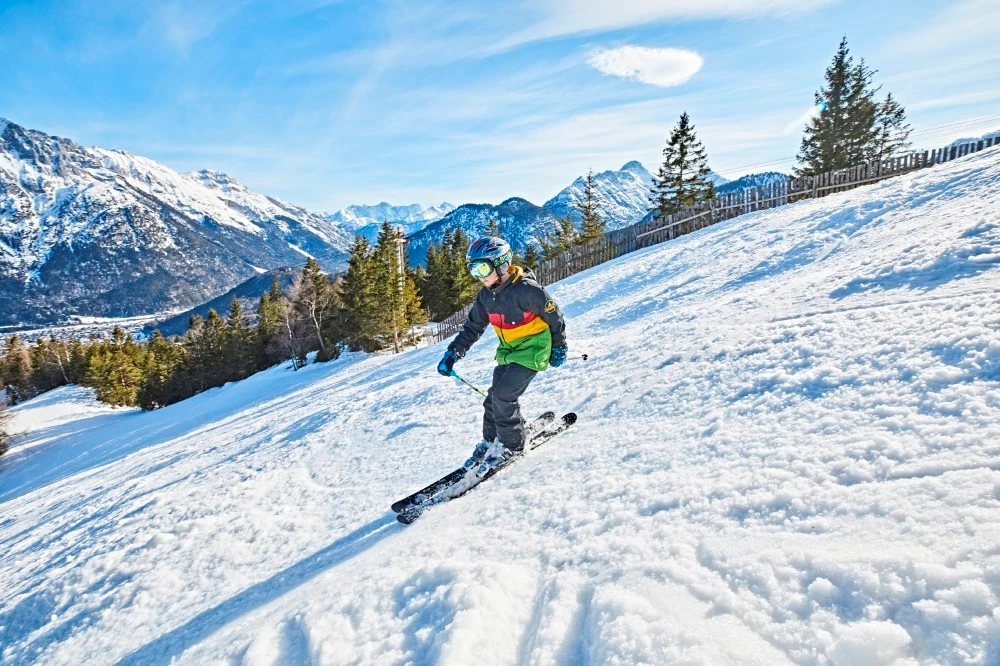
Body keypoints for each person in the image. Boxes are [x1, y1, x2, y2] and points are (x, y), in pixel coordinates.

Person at [437, 236, 568, 477]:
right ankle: (491, 441)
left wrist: (559, 346)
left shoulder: (528, 291)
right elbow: (472, 328)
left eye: (483, 268)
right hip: (509, 353)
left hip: (533, 350)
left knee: (504, 397)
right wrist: (453, 353)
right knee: (492, 399)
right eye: (473, 269)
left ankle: (513, 446)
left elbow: (554, 317)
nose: (479, 275)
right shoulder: (486, 296)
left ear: (501, 264)